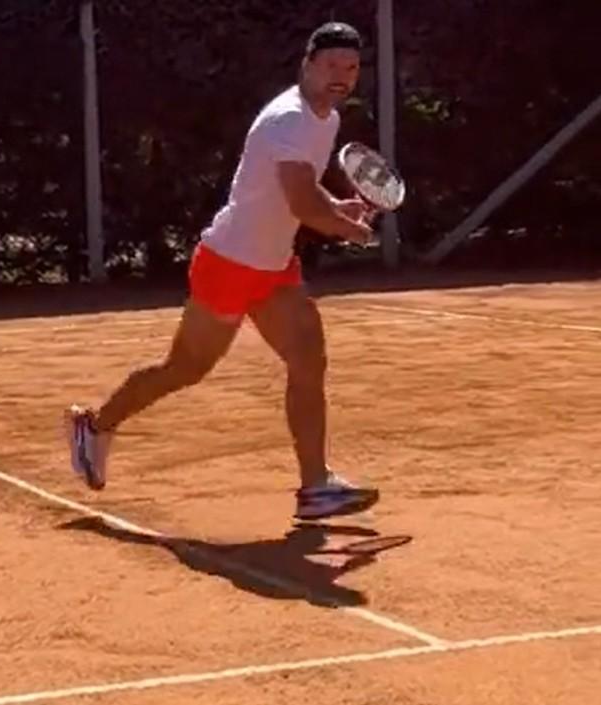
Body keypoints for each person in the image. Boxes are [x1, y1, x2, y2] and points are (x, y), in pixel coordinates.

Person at [65, 21, 380, 521]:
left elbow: (299, 192)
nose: (340, 76)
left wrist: (336, 205)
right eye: (330, 66)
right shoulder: (289, 119)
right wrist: (346, 228)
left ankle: (316, 487)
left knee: (309, 359)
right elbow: (301, 198)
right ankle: (96, 426)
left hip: (273, 267)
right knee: (186, 368)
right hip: (230, 262)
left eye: (351, 67)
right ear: (307, 65)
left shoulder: (325, 119)